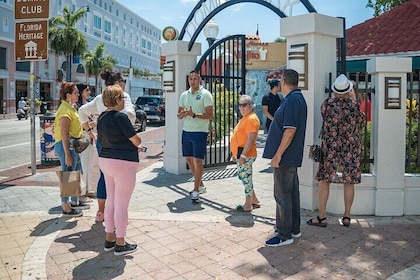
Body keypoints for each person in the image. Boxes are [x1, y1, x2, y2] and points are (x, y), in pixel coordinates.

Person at [307, 74, 365, 228]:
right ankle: (346, 216)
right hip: (350, 148)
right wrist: (353, 99)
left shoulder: (327, 104)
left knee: (324, 180)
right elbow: (361, 123)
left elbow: (325, 117)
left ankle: (322, 216)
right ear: (349, 89)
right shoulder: (354, 106)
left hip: (331, 147)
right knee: (349, 182)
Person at [79, 70, 136, 222]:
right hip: (122, 142)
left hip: (103, 141)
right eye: (122, 81)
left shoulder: (99, 99)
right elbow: (131, 117)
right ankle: (117, 214)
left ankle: (101, 212)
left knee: (104, 176)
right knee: (121, 178)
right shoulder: (124, 96)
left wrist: (90, 131)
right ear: (117, 83)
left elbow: (81, 111)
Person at [262, 69, 307, 246]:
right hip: (289, 157)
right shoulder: (294, 99)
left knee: (282, 194)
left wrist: (278, 155)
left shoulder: (292, 101)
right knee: (291, 193)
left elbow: (289, 130)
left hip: (285, 157)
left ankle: (284, 234)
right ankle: (293, 229)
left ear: (283, 81)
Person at [97, 85, 142, 256]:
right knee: (121, 205)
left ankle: (109, 239)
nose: (124, 101)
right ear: (117, 100)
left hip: (105, 161)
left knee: (111, 201)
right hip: (123, 163)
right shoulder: (121, 117)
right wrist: (138, 143)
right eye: (122, 98)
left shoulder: (102, 117)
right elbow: (136, 140)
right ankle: (121, 243)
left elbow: (109, 139)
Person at [53, 82, 90, 217]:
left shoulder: (70, 108)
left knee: (75, 172)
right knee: (68, 174)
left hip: (73, 144)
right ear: (68, 95)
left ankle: (74, 201)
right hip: (66, 145)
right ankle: (66, 205)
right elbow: (63, 134)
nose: (78, 94)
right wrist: (67, 154)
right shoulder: (65, 110)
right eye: (75, 93)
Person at [177, 70, 214, 203]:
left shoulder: (206, 94)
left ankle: (196, 190)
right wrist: (183, 114)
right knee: (188, 159)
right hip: (187, 131)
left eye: (195, 79)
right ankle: (201, 184)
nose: (192, 81)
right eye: (190, 79)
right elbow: (179, 114)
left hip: (200, 132)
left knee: (198, 161)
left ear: (200, 80)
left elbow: (210, 115)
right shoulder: (184, 95)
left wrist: (194, 114)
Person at [230, 95, 261, 212]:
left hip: (246, 154)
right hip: (240, 153)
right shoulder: (246, 117)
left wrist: (243, 156)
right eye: (240, 105)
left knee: (246, 178)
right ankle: (254, 200)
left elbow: (251, 139)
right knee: (243, 177)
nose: (241, 108)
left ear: (251, 106)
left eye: (245, 105)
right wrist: (235, 154)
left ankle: (248, 205)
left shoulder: (251, 118)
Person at [76, 84, 96, 202]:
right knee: (83, 164)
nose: (88, 92)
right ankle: (82, 192)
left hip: (90, 137)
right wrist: (88, 127)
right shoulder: (77, 107)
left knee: (89, 164)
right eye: (86, 90)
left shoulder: (87, 105)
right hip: (82, 137)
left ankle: (88, 189)